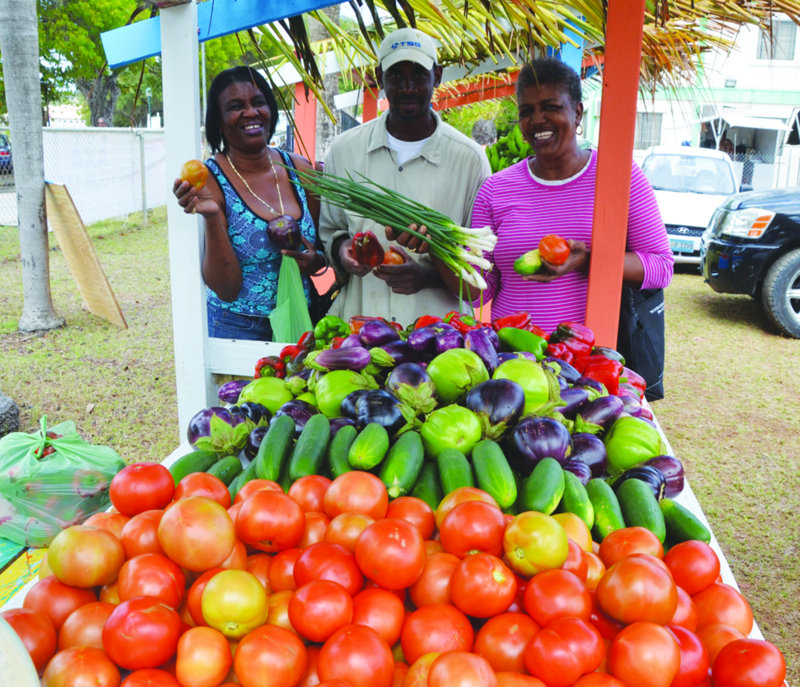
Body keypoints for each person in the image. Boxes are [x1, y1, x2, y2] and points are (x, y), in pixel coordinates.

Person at [470, 57, 674, 335]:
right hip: (510, 356)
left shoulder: (618, 178)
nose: (537, 119)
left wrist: (586, 261)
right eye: (526, 111)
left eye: (550, 107)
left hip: (586, 361)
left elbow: (661, 267)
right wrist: (435, 247)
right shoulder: (495, 189)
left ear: (577, 113)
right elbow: (479, 291)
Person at [318, 28, 492, 325]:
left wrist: (429, 276)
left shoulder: (469, 159)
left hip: (439, 339)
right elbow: (331, 232)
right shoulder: (345, 150)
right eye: (396, 75)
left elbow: (478, 277)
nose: (407, 86)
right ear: (379, 77)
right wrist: (342, 251)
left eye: (419, 75)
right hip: (361, 330)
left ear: (437, 76)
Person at [173, 66, 326, 340]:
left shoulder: (301, 169)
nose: (251, 112)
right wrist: (211, 217)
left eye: (258, 103)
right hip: (239, 328)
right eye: (235, 107)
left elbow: (322, 255)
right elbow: (226, 289)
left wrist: (314, 261)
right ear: (219, 121)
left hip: (302, 320)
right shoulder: (210, 180)